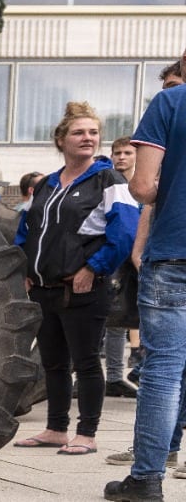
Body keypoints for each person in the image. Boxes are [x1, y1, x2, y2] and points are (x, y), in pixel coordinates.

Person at [15, 101, 138, 457]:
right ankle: (56, 429)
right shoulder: (47, 184)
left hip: (84, 288)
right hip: (43, 288)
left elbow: (124, 231)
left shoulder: (108, 179)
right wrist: (23, 270)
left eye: (94, 133)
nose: (88, 138)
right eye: (79, 132)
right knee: (53, 363)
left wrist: (94, 268)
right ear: (60, 139)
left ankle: (87, 433)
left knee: (86, 362)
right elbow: (26, 229)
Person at [108, 56, 186, 500]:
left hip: (175, 251)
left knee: (163, 372)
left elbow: (141, 187)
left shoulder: (170, 102)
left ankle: (146, 481)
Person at [108, 138, 142, 398]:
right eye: (117, 153)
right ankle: (113, 375)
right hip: (114, 260)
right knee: (110, 320)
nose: (121, 157)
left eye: (127, 153)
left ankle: (121, 374)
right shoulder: (108, 183)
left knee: (127, 319)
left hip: (138, 260)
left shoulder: (142, 186)